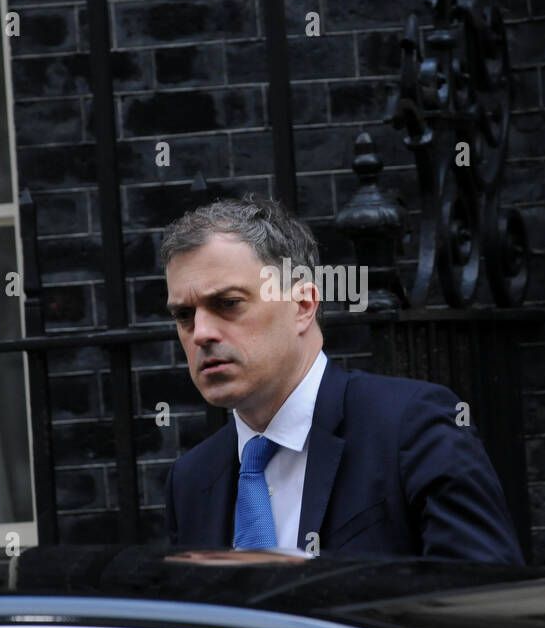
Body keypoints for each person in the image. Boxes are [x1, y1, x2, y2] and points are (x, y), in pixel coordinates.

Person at [159, 194, 524, 564]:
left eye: (228, 303)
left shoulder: (412, 427)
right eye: (184, 315)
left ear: (302, 306)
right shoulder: (191, 480)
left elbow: (481, 601)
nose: (201, 333)